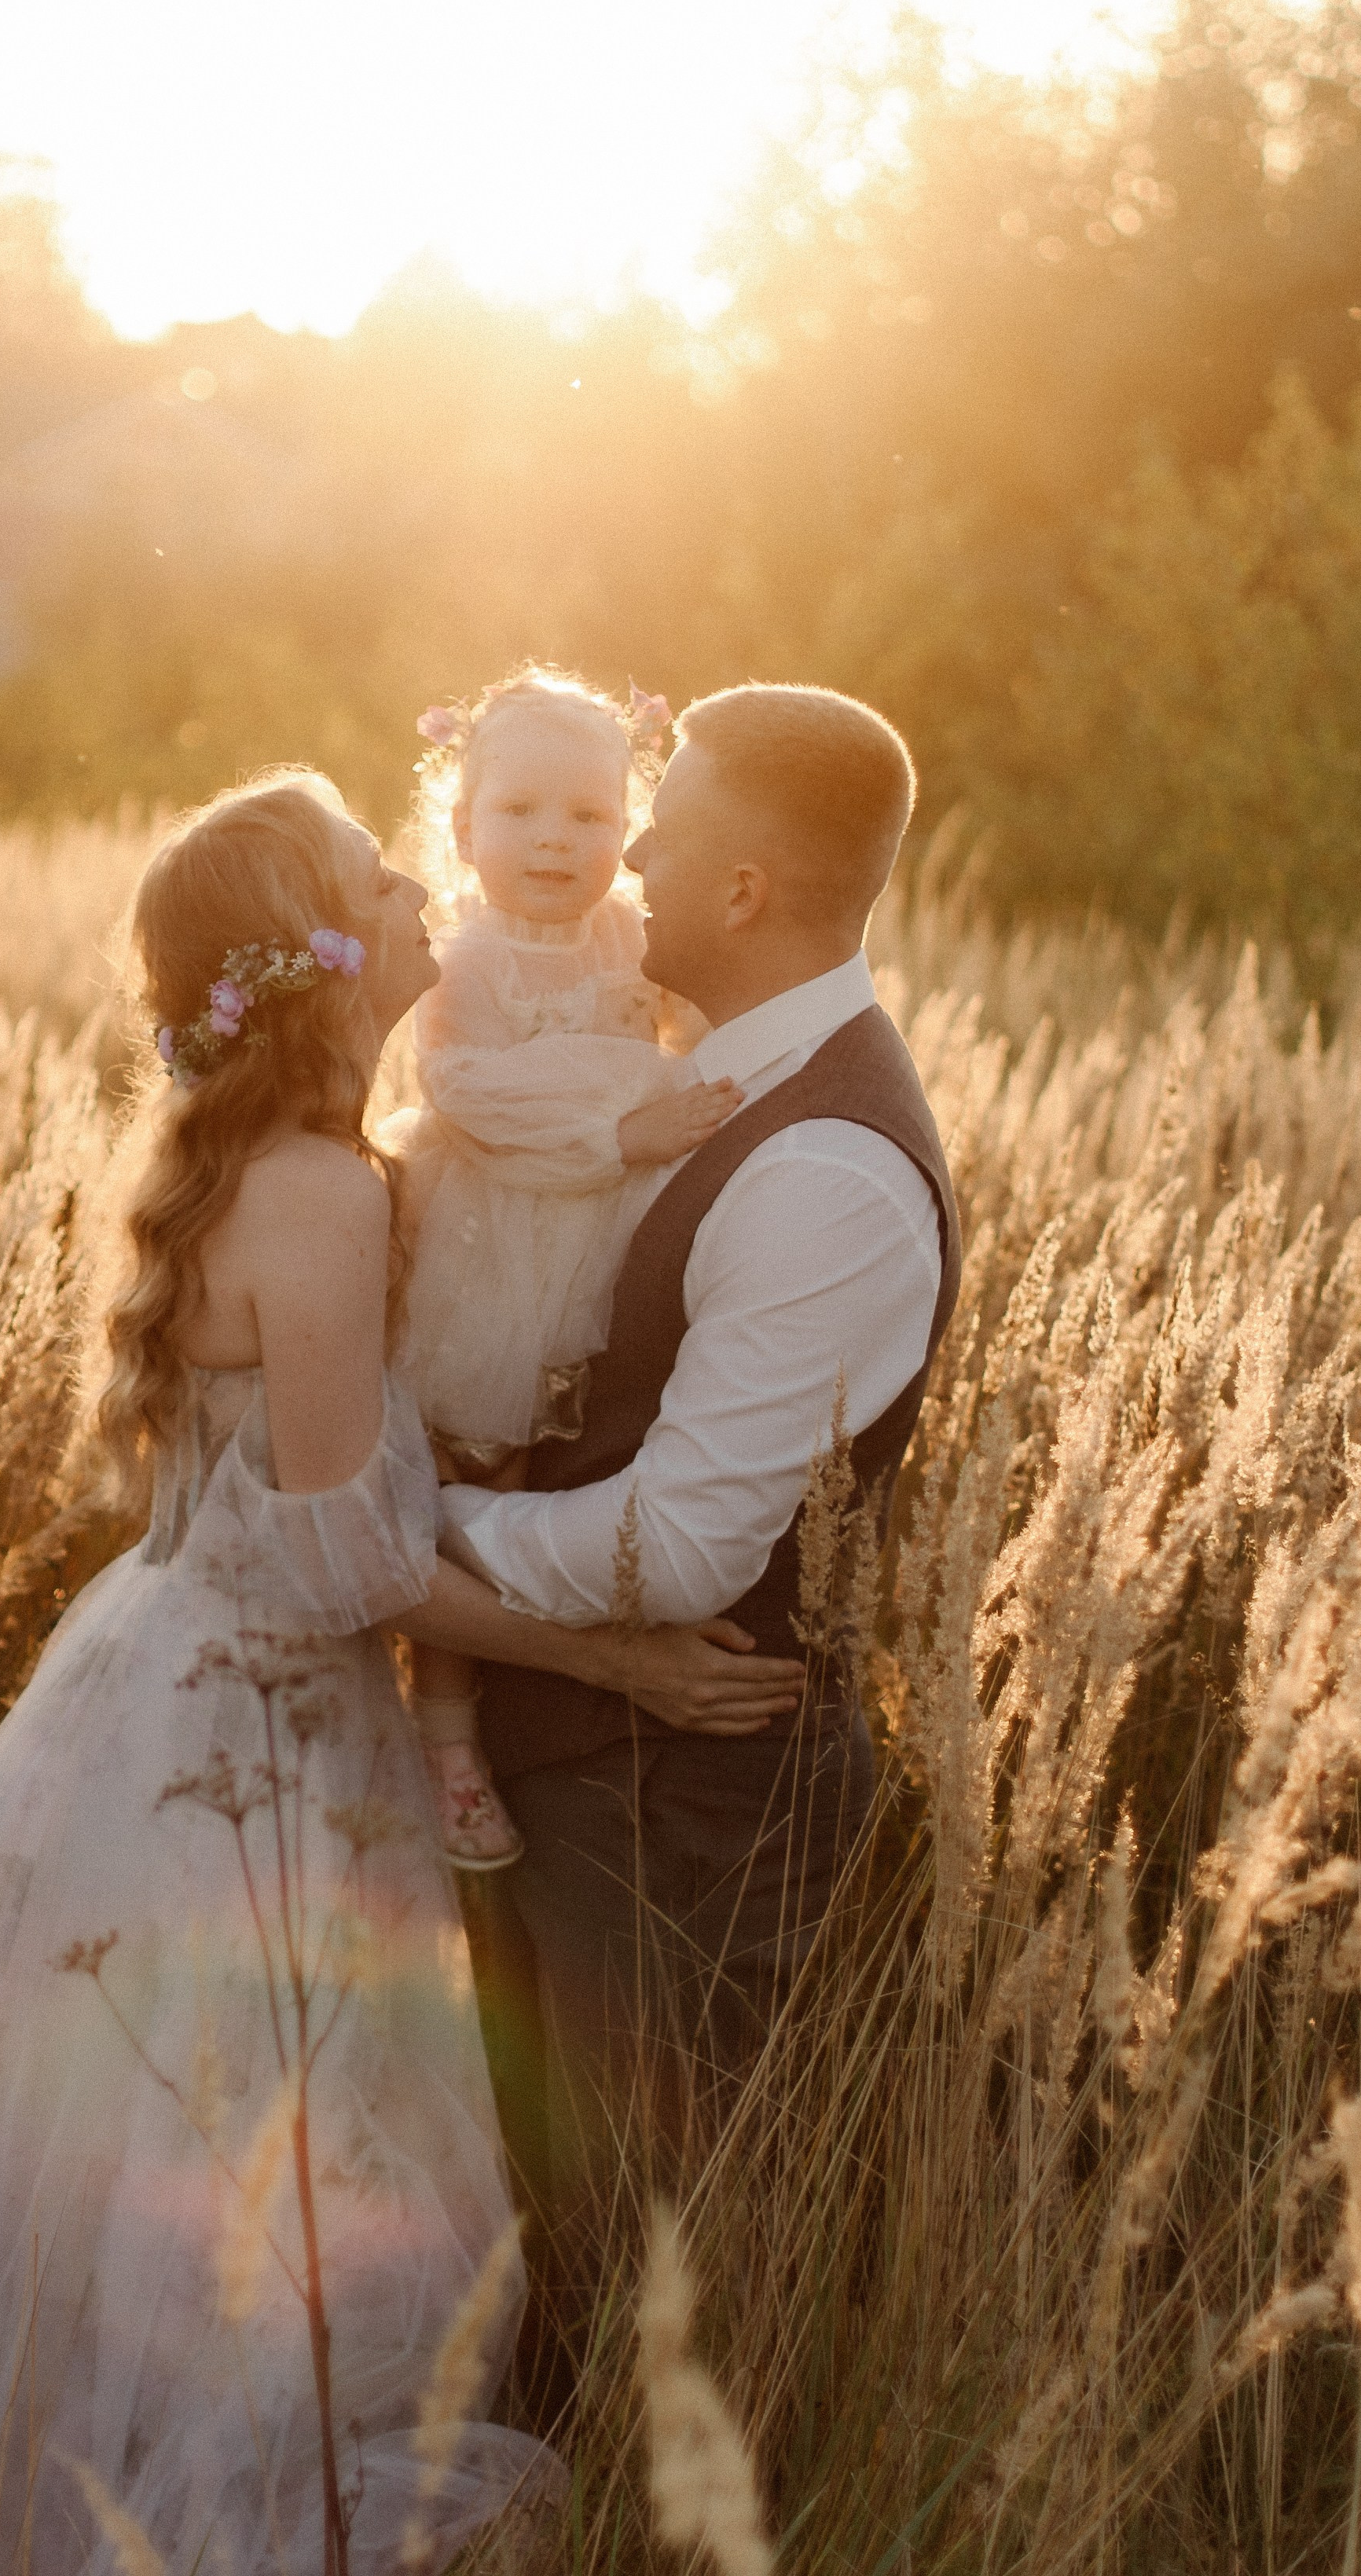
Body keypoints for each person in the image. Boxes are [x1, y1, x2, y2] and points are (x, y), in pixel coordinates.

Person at [0, 772, 797, 2576]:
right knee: (234, 2144)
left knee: (143, 2142)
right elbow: (350, 1564)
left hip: (158, 1673)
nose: (429, 888)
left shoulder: (274, 1167)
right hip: (256, 1723)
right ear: (327, 952)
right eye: (385, 873)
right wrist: (632, 1663)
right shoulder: (318, 1195)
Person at [439, 683, 963, 2266]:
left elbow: (672, 1550)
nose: (634, 852)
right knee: (577, 2249)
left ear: (743, 892)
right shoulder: (711, 1084)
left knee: (665, 2265)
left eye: (664, 827)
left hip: (684, 1816)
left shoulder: (822, 1168)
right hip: (608, 1773)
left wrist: (412, 1528)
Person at [391, 668, 743, 1871]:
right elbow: (468, 1097)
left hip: (604, 1247)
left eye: (591, 817)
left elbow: (705, 1023)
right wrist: (615, 1130)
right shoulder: (463, 961)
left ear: (628, 833)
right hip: (488, 1251)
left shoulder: (631, 937)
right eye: (523, 812)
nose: (556, 840)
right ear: (463, 829)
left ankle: (570, 1711)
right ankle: (445, 1738)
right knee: (462, 1488)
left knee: (571, 1470)